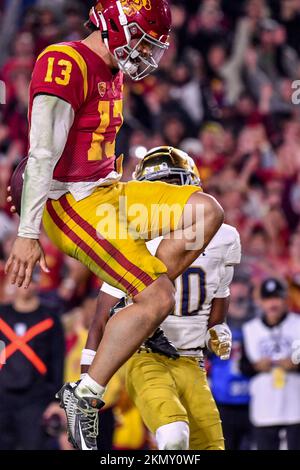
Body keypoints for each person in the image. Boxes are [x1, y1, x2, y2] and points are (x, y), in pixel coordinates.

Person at [5, 1, 224, 450]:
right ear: (114, 25)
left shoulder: (112, 68)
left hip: (110, 193)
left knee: (207, 211)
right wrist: (27, 235)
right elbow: (42, 153)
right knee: (160, 297)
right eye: (142, 40)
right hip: (73, 204)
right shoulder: (64, 61)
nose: (146, 55)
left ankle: (132, 302)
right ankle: (84, 394)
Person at [80, 146, 241, 450]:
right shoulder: (131, 237)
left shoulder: (223, 236)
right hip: (145, 355)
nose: (167, 197)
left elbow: (221, 291)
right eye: (158, 189)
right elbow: (100, 319)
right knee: (173, 437)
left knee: (212, 447)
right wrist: (85, 386)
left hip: (193, 361)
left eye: (174, 185)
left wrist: (218, 328)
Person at [0, 271, 65, 450]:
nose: (26, 286)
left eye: (31, 281)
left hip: (36, 399)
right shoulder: (2, 315)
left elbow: (58, 360)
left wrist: (56, 400)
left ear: (38, 283)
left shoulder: (50, 318)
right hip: (3, 397)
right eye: (22, 281)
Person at [242, 278, 300, 450]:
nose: (272, 304)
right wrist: (255, 366)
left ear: (285, 299)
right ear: (260, 302)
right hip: (264, 406)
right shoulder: (250, 329)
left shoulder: (297, 324)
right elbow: (242, 366)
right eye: (268, 299)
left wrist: (296, 364)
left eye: (277, 298)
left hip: (295, 405)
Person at [209, 275, 254, 450]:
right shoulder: (214, 322)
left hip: (253, 400)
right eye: (234, 299)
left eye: (242, 299)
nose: (238, 303)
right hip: (222, 400)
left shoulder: (258, 321)